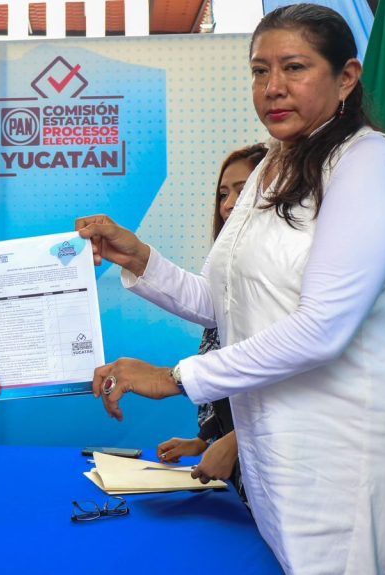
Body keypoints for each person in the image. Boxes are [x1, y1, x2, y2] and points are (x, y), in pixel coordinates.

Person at [77, 5, 385, 573]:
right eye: (260, 71)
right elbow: (226, 303)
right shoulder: (271, 167)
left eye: (295, 67)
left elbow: (322, 329)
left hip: (344, 452)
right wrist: (139, 257)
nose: (272, 87)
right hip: (272, 446)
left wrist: (175, 378)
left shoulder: (371, 163)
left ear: (346, 77)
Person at [155, 144, 266, 501]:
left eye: (243, 190)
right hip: (247, 472)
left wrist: (236, 443)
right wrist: (205, 440)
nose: (229, 204)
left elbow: (288, 380)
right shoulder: (230, 276)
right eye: (223, 194)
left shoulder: (281, 278)